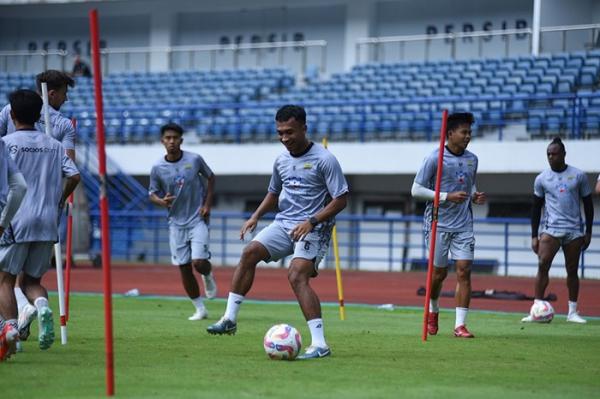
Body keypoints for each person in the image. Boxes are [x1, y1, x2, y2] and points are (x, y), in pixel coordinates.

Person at [206, 105, 349, 360]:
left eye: (290, 132)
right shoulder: (281, 160)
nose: (284, 138)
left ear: (304, 128)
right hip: (284, 223)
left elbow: (341, 199)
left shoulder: (325, 159)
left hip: (314, 227)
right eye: (280, 133)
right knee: (249, 252)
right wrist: (255, 216)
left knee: (295, 275)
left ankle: (320, 344)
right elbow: (273, 192)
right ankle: (229, 319)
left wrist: (312, 221)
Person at [0, 89, 79, 355]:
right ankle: (43, 308)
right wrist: (59, 199)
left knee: (4, 280)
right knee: (31, 282)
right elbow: (75, 175)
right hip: (47, 221)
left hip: (15, 219)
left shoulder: (6, 143)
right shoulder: (54, 145)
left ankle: (11, 331)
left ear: (12, 114)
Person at [411, 112, 486, 338]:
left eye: (470, 132)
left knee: (464, 270)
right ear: (450, 133)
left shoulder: (473, 159)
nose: (468, 136)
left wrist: (474, 196)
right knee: (438, 275)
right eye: (464, 132)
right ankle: (433, 310)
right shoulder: (434, 158)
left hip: (463, 224)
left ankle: (459, 325)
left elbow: (468, 186)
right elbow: (416, 190)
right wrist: (446, 196)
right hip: (437, 224)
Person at [149, 123, 217, 321]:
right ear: (162, 141)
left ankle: (207, 274)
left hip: (197, 219)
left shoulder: (194, 160)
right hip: (175, 223)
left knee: (199, 262)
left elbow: (211, 178)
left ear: (181, 140)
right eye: (168, 138)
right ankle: (200, 308)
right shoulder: (157, 167)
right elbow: (152, 193)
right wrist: (161, 201)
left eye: (175, 138)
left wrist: (207, 204)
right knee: (184, 267)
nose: (171, 141)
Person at [522, 137, 593, 324]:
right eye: (548, 154)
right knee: (542, 265)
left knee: (572, 270)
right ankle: (536, 309)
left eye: (554, 154)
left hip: (574, 231)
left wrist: (588, 232)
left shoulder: (579, 175)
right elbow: (536, 208)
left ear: (563, 154)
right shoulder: (542, 178)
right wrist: (533, 236)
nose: (551, 157)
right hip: (550, 230)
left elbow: (588, 205)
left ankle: (572, 312)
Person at [0, 133, 28, 361]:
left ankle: (5, 328)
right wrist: (3, 222)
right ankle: (9, 328)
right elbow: (19, 186)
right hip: (4, 222)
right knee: (5, 281)